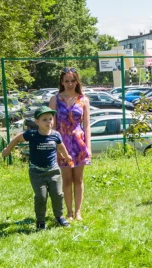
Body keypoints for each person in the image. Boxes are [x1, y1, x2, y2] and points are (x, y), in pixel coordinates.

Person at [2, 106, 72, 230]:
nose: (48, 122)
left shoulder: (55, 135)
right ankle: (40, 221)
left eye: (50, 119)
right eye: (44, 119)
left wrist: (66, 156)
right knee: (41, 197)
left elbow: (61, 147)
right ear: (37, 122)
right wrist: (8, 150)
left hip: (54, 171)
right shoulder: (32, 134)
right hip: (36, 172)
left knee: (57, 194)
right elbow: (17, 138)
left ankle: (59, 217)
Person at [49, 67, 91, 221]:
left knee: (78, 179)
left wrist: (89, 147)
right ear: (62, 82)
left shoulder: (83, 100)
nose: (70, 84)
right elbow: (51, 126)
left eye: (72, 80)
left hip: (79, 143)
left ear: (77, 81)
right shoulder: (55, 100)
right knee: (66, 179)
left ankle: (78, 211)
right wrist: (55, 146)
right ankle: (69, 212)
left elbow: (86, 126)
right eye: (66, 81)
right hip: (62, 143)